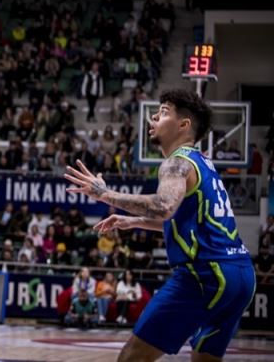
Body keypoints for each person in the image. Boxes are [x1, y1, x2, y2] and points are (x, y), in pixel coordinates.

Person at [66, 89, 255, 361]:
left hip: (205, 274)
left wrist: (103, 194)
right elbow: (191, 221)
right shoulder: (205, 164)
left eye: (164, 112)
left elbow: (164, 206)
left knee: (132, 358)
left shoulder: (177, 162)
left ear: (184, 125)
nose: (154, 116)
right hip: (240, 275)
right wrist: (135, 221)